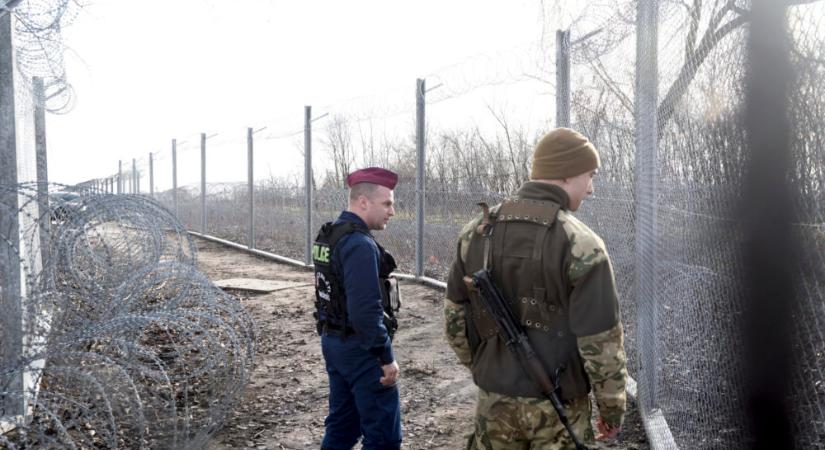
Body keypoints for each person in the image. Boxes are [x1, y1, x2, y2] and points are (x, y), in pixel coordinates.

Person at [444, 128, 628, 449]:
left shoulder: (475, 233)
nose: (592, 188)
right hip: (561, 410)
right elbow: (601, 342)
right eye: (590, 175)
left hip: (494, 403)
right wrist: (612, 409)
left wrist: (489, 369)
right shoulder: (582, 245)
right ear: (567, 174)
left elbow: (454, 321)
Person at [313, 167, 403, 450]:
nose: (392, 211)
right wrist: (385, 356)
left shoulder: (331, 234)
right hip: (361, 349)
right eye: (387, 203)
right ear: (363, 202)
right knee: (384, 438)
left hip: (334, 341)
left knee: (342, 426)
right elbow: (365, 311)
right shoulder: (359, 244)